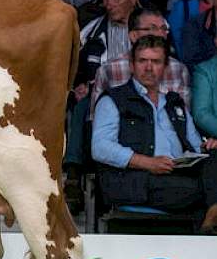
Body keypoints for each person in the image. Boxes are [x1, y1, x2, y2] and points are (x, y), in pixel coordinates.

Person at [92, 35, 217, 233]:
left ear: (165, 67)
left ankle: (210, 221)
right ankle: (210, 224)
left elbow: (194, 146)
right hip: (136, 181)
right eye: (142, 61)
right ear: (132, 66)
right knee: (202, 193)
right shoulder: (113, 100)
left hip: (177, 174)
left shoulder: (174, 103)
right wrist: (148, 163)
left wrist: (206, 147)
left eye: (156, 61)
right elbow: (100, 148)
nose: (149, 67)